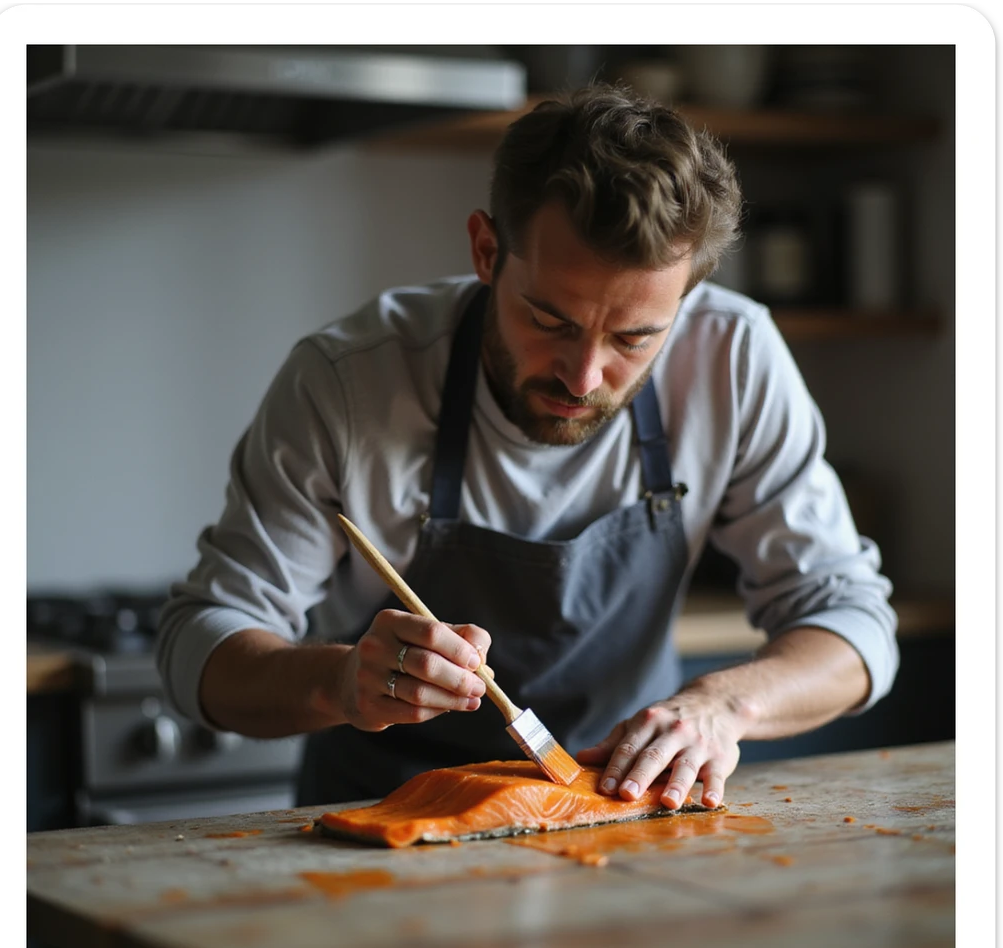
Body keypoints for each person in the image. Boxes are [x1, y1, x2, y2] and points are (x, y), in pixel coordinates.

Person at [156, 84, 898, 811]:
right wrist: (342, 681)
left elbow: (856, 628)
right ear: (486, 249)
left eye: (634, 338)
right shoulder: (350, 381)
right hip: (379, 825)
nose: (583, 376)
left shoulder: (731, 358)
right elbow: (200, 650)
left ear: (688, 299)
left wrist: (723, 707)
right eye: (550, 319)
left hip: (620, 819)